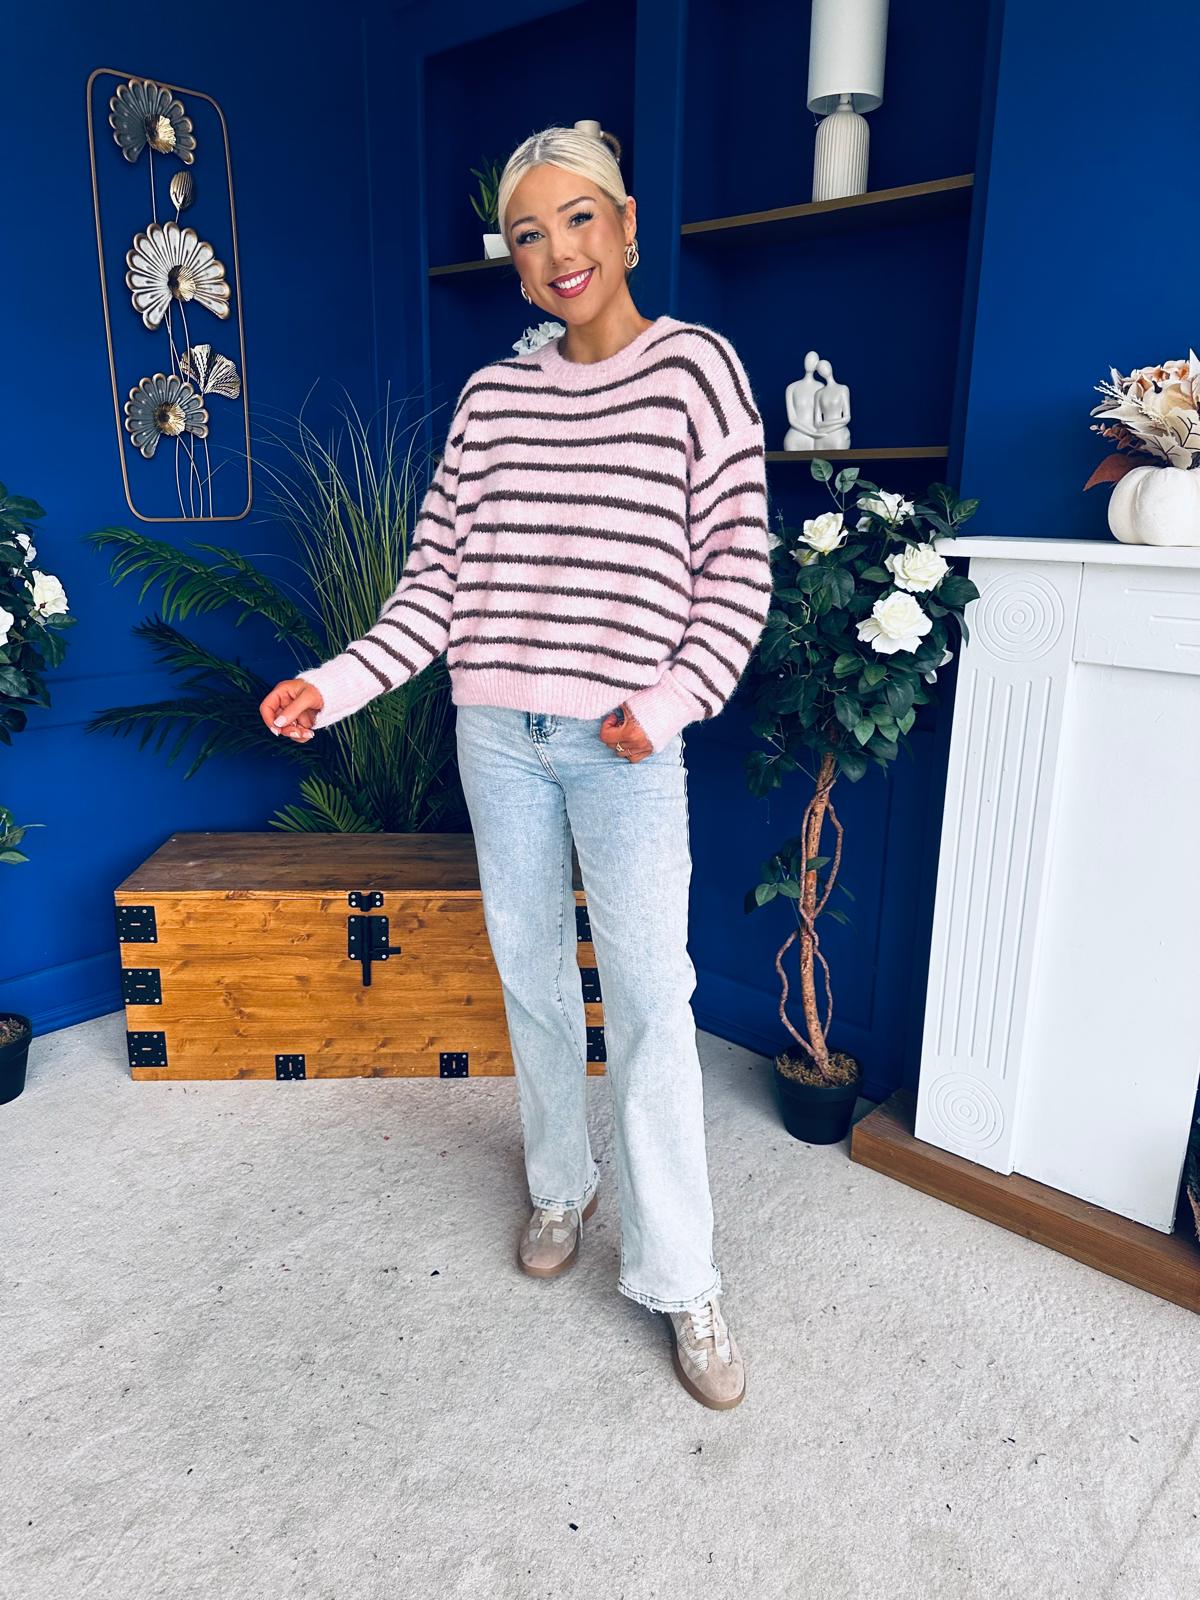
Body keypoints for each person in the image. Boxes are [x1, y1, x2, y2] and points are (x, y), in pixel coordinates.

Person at [258, 123, 772, 1410]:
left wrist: (667, 703)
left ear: (628, 225)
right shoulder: (492, 402)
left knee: (652, 1001)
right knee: (534, 982)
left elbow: (737, 580)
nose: (557, 253)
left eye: (578, 220)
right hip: (496, 733)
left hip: (624, 745)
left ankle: (682, 1273)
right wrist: (337, 682)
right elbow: (435, 586)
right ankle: (560, 1183)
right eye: (528, 236)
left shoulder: (697, 372)